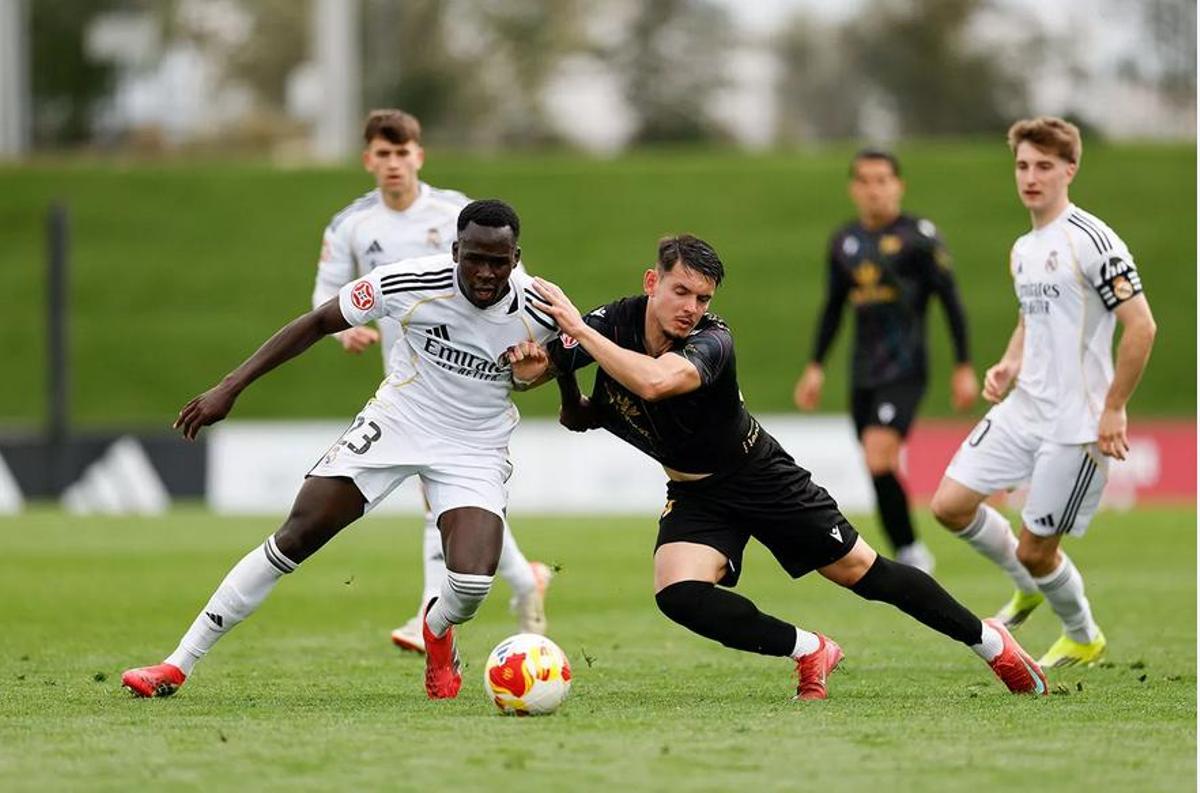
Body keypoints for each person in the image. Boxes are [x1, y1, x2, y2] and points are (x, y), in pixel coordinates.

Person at [505, 234, 1047, 700]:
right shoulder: (612, 322)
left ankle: (991, 641)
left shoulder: (712, 340)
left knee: (860, 572)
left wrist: (578, 331)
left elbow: (654, 381)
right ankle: (810, 649)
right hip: (696, 493)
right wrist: (537, 367)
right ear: (652, 281)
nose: (691, 306)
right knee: (678, 594)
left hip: (760, 477)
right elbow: (541, 373)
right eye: (680, 291)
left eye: (702, 297)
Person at [122, 200, 559, 700]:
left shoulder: (542, 306)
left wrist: (540, 376)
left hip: (475, 445)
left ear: (516, 258)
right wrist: (230, 387)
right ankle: (177, 664)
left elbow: (570, 360)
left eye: (498, 262)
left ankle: (436, 630)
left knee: (471, 586)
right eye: (473, 258)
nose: (485, 273)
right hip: (400, 421)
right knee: (298, 532)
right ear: (455, 250)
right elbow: (315, 323)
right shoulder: (406, 281)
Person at [313, 109, 550, 654]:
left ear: (419, 155)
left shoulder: (454, 213)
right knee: (453, 501)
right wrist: (340, 334)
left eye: (403, 153)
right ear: (367, 159)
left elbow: (512, 280)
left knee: (439, 496)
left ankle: (428, 613)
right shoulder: (351, 223)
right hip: (407, 376)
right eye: (383, 153)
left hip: (466, 377)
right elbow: (326, 294)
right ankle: (523, 579)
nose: (393, 164)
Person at [929, 117, 1157, 668]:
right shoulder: (1024, 248)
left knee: (1037, 548)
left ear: (1069, 170)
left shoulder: (1094, 242)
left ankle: (1083, 634)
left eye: (1044, 167)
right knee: (950, 506)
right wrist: (1009, 363)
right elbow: (1034, 315)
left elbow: (1142, 326)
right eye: (1023, 166)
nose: (1031, 177)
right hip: (1024, 407)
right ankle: (1026, 585)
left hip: (1075, 424)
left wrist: (1114, 408)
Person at [793, 149, 978, 574]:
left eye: (882, 180)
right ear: (853, 188)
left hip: (906, 368)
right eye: (865, 181)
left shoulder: (920, 237)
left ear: (898, 185)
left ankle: (911, 552)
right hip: (863, 372)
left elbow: (951, 302)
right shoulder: (844, 241)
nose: (873, 189)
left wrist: (963, 365)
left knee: (879, 456)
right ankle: (906, 547)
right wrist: (815, 365)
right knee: (879, 465)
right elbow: (834, 306)